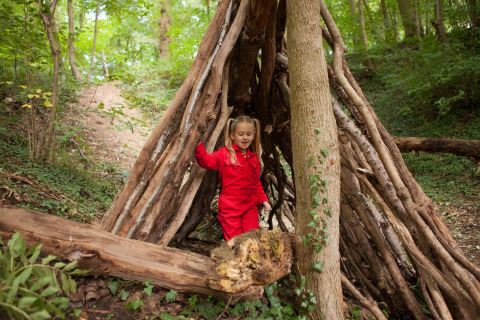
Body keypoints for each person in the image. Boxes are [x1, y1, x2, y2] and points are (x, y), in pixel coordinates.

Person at [193, 115, 271, 241]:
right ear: (232, 135)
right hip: (229, 208)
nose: (245, 137)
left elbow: (256, 182)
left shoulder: (253, 158)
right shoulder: (223, 154)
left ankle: (249, 261)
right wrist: (198, 143)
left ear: (253, 135)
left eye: (248, 134)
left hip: (250, 208)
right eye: (241, 134)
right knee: (235, 242)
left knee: (251, 240)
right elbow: (206, 161)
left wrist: (263, 199)